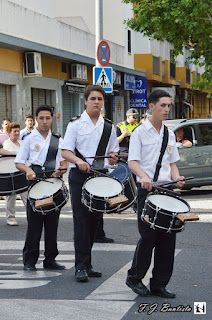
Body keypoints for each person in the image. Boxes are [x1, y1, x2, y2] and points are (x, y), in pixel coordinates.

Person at [126, 89, 185, 298]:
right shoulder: (139, 133)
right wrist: (143, 176)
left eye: (169, 106)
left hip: (166, 191)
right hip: (147, 192)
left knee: (168, 240)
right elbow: (132, 162)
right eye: (163, 105)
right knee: (148, 237)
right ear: (151, 106)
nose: (167, 109)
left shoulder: (169, 133)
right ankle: (134, 277)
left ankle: (159, 284)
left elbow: (172, 164)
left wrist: (177, 178)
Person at [62, 84, 119, 283]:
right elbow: (65, 151)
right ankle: (79, 266)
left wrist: (113, 158)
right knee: (81, 221)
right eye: (93, 98)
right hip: (79, 176)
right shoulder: (75, 125)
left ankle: (87, 264)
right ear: (85, 101)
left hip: (100, 176)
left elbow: (113, 153)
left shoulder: (109, 126)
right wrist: (78, 161)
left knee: (94, 222)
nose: (96, 102)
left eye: (100, 99)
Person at [15, 105, 67, 271]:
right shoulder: (29, 139)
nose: (45, 122)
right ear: (36, 119)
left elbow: (63, 162)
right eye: (41, 118)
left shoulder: (58, 140)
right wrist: (28, 170)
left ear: (52, 119)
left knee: (52, 223)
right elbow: (19, 162)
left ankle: (50, 259)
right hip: (35, 180)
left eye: (48, 118)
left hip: (53, 182)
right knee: (34, 224)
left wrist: (61, 169)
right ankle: (30, 260)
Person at [3, 122, 28, 226]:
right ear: (9, 133)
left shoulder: (22, 143)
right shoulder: (7, 143)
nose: (17, 133)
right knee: (11, 196)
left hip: (22, 173)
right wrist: (18, 154)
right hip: (11, 173)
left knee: (26, 196)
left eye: (18, 131)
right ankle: (10, 218)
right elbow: (8, 155)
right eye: (15, 131)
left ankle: (31, 216)